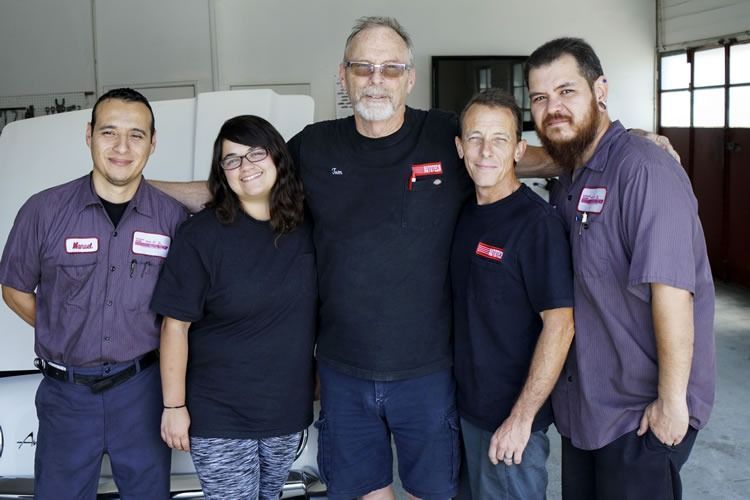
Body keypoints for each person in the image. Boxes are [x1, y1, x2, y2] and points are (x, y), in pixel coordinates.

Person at [149, 17, 679, 500]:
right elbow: (243, 183)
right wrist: (138, 188)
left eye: (390, 68)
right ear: (344, 76)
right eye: (363, 67)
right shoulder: (313, 147)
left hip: (428, 372)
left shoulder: (444, 135)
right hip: (342, 369)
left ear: (409, 78)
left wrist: (619, 143)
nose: (375, 79)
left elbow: (520, 155)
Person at [525, 37, 715, 499]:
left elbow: (673, 293)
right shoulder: (572, 172)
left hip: (639, 416)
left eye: (566, 91)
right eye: (539, 98)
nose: (553, 108)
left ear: (600, 90)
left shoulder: (645, 170)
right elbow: (512, 153)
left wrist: (671, 404)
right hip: (586, 408)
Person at [0, 88, 187, 499]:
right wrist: (64, 327)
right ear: (89, 135)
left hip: (143, 393)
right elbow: (13, 288)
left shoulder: (171, 219)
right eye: (109, 132)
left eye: (136, 135)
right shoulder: (43, 211)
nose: (122, 147)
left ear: (153, 143)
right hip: (66, 396)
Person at [151, 115, 316, 500]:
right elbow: (175, 326)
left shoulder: (306, 226)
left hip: (285, 410)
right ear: (222, 173)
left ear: (277, 157)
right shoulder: (202, 236)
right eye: (232, 159)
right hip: (220, 411)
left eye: (256, 153)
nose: (246, 166)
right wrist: (173, 405)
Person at [451, 88, 575, 499]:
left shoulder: (537, 224)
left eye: (500, 139)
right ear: (459, 147)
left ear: (519, 149)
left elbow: (560, 326)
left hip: (510, 423)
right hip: (462, 413)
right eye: (474, 138)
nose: (486, 150)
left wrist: (522, 419)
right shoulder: (464, 213)